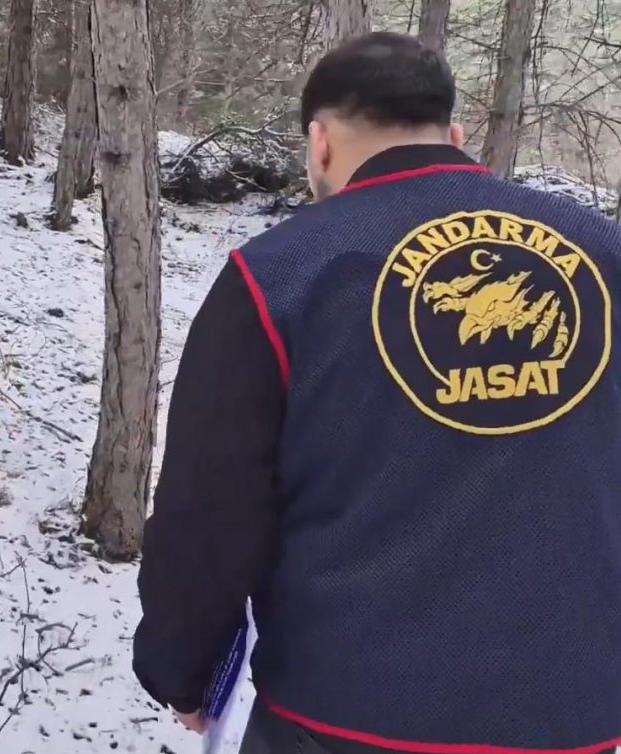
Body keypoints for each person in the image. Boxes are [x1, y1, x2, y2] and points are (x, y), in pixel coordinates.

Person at [133, 31, 621, 754]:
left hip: (342, 717)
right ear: (454, 136)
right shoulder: (604, 256)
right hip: (569, 716)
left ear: (320, 143)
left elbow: (209, 504)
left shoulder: (279, 275)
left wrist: (183, 667)